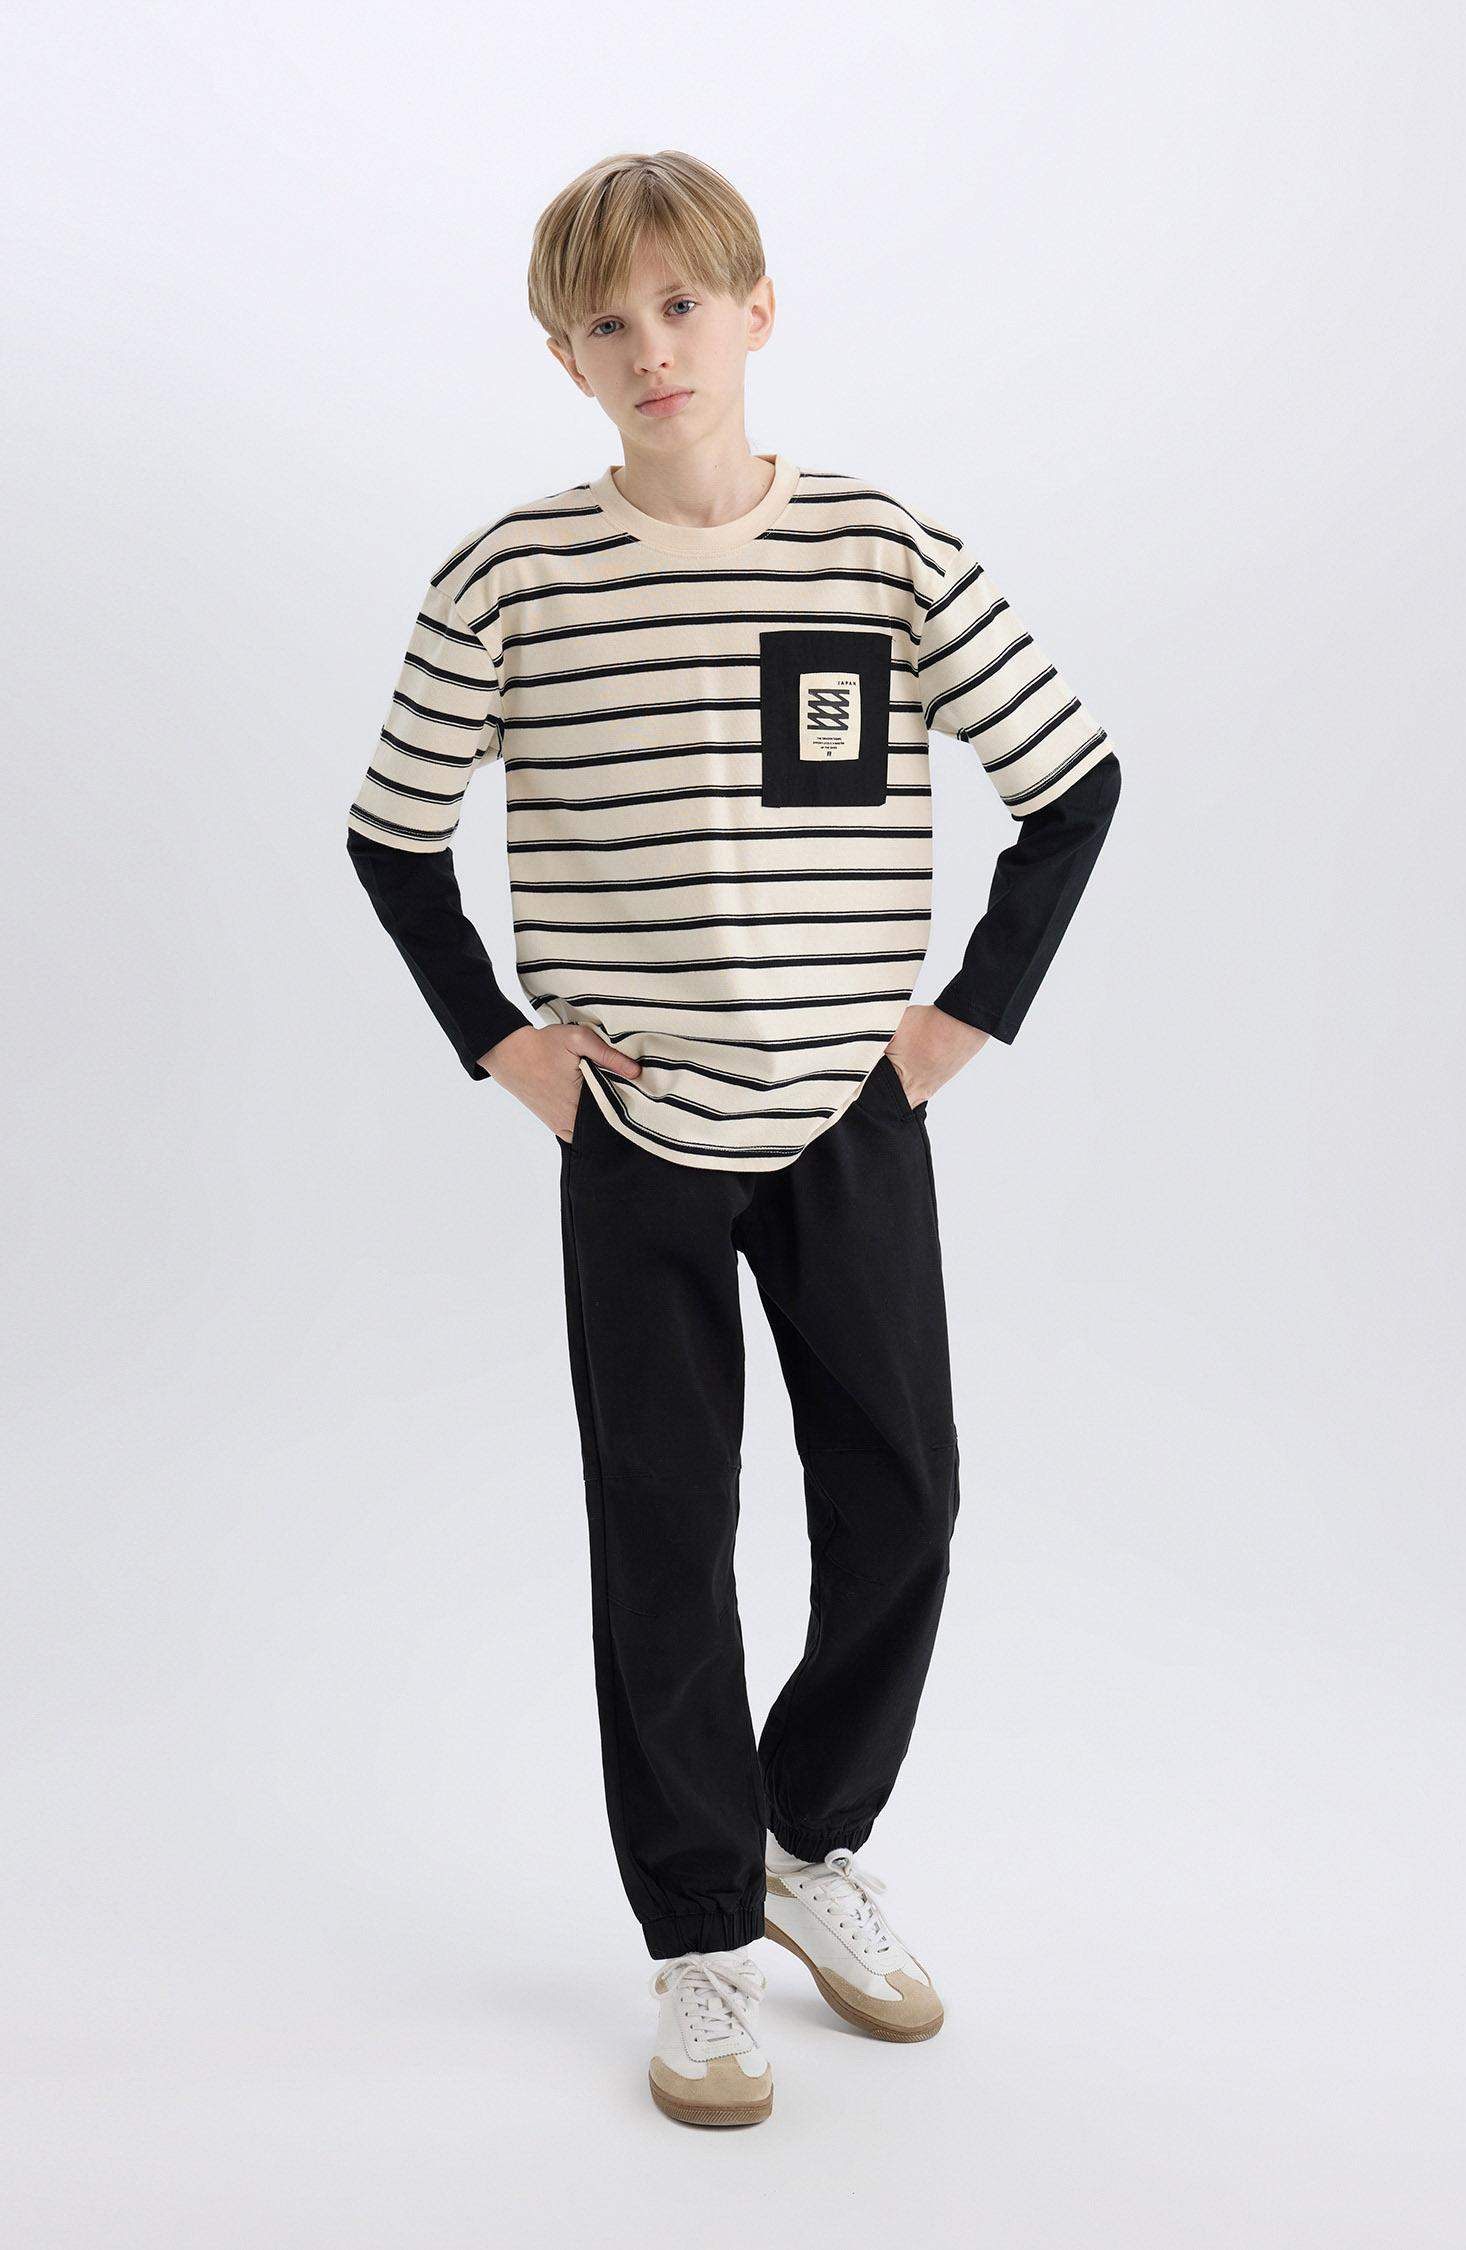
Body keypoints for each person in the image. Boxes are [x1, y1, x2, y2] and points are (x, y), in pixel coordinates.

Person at [345, 149, 1122, 2128]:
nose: (652, 349)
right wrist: (509, 1050)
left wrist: (955, 1024)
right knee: (666, 1529)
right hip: (639, 1142)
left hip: (851, 1120)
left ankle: (805, 1837)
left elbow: (1072, 782)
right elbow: (392, 835)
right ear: (565, 357)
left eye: (683, 304)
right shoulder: (511, 580)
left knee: (905, 1497)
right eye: (606, 322)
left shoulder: (879, 553)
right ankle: (696, 1931)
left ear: (756, 311)